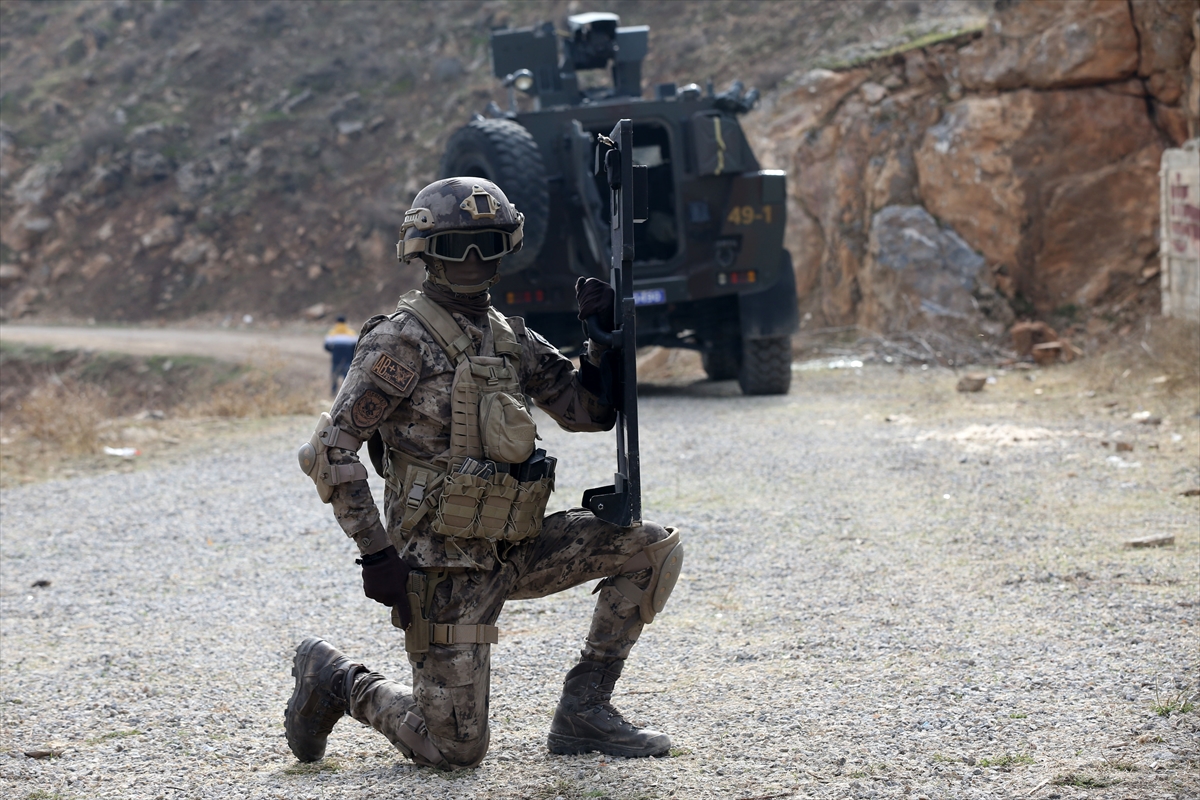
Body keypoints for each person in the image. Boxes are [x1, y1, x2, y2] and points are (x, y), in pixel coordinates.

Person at [289, 177, 683, 770]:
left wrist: (602, 343)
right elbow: (330, 452)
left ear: (507, 249)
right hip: (443, 568)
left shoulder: (508, 338)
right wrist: (377, 556)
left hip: (516, 545)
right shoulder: (400, 342)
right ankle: (338, 679)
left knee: (651, 549)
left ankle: (585, 710)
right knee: (453, 750)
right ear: (424, 252)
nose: (473, 260)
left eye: (488, 243)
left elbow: (588, 413)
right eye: (456, 246)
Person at [324, 315, 358, 396]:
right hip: (347, 359)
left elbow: (326, 346)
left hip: (336, 359)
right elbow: (356, 347)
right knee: (346, 378)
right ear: (345, 322)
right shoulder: (352, 333)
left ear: (336, 322)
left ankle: (333, 393)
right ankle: (345, 394)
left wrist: (333, 351)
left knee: (334, 377)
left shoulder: (332, 333)